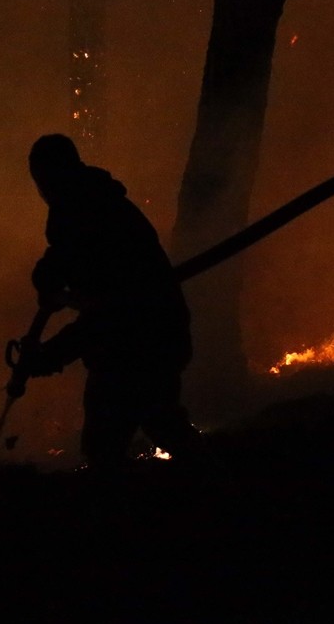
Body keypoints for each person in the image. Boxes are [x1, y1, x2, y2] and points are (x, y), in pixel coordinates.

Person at [23, 133, 211, 470]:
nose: (43, 190)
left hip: (144, 342)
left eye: (44, 181)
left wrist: (50, 356)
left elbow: (108, 317)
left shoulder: (89, 218)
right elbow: (62, 257)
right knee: (157, 423)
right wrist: (47, 277)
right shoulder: (87, 207)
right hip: (150, 336)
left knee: (111, 442)